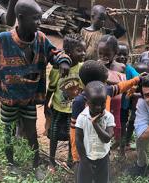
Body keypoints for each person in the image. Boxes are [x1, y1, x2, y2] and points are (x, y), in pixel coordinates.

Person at [0, 0, 71, 177]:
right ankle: (10, 162)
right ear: (21, 18)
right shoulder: (3, 40)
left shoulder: (40, 39)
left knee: (32, 132)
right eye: (35, 19)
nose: (39, 23)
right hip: (9, 99)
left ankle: (35, 164)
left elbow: (55, 53)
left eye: (40, 18)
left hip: (30, 98)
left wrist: (63, 61)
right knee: (8, 131)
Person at [69, 60, 142, 182]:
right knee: (82, 175)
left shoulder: (106, 91)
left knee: (102, 175)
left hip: (101, 146)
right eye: (105, 79)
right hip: (85, 150)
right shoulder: (79, 101)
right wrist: (77, 156)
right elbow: (74, 131)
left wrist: (137, 79)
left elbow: (121, 87)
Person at [44, 34, 86, 173]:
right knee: (54, 134)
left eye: (84, 50)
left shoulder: (82, 68)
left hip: (73, 110)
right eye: (79, 51)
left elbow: (84, 89)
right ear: (68, 52)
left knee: (71, 135)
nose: (83, 53)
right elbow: (51, 88)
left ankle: (71, 160)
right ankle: (51, 160)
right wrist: (45, 106)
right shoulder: (57, 70)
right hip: (58, 108)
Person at [75, 81, 115, 183]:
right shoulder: (82, 117)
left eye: (102, 104)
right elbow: (78, 140)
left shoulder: (109, 117)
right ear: (87, 102)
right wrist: (84, 161)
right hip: (86, 158)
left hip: (103, 158)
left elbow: (107, 139)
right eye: (94, 104)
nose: (98, 107)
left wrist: (95, 124)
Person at [114, 42, 140, 156]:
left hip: (123, 105)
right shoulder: (110, 67)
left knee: (123, 126)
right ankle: (113, 144)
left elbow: (139, 78)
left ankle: (122, 150)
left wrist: (132, 90)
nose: (122, 57)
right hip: (110, 104)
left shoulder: (129, 69)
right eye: (119, 54)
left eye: (125, 55)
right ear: (114, 54)